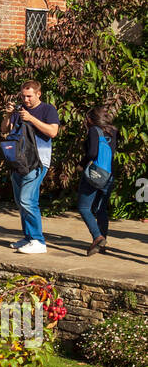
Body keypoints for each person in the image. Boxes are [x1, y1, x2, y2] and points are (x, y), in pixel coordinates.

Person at [2, 80, 60, 255]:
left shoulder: (48, 110)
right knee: (21, 201)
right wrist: (7, 115)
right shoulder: (20, 111)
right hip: (18, 161)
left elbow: (52, 132)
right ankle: (28, 238)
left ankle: (38, 241)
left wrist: (31, 118)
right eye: (23, 96)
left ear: (38, 94)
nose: (26, 99)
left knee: (28, 200)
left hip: (38, 161)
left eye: (29, 96)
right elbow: (5, 131)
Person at [77, 106, 117, 256]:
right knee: (100, 209)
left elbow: (93, 152)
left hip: (94, 174)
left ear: (91, 119)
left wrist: (81, 165)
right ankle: (102, 244)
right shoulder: (113, 131)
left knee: (84, 207)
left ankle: (97, 237)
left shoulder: (94, 130)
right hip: (109, 174)